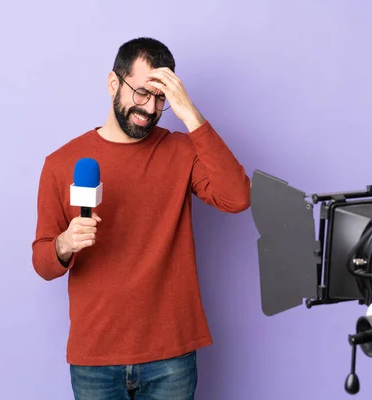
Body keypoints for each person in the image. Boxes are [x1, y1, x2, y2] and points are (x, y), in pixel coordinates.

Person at [31, 37, 251, 400]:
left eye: (161, 98)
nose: (150, 108)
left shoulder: (181, 151)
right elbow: (42, 261)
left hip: (171, 355)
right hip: (95, 357)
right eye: (142, 93)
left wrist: (190, 114)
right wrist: (65, 244)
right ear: (113, 83)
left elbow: (237, 197)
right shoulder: (61, 163)